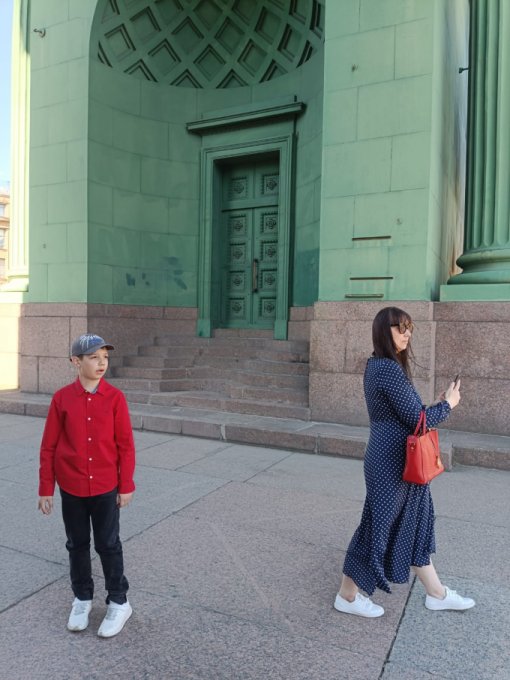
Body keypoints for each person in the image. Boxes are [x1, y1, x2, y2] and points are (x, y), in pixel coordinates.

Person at [334, 307, 475, 618]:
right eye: (400, 327)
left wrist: (436, 405)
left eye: (409, 327)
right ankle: (347, 596)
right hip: (391, 463)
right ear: (383, 332)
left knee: (414, 522)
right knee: (377, 527)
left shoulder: (381, 365)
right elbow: (418, 420)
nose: (407, 333)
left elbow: (411, 413)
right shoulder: (387, 369)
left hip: (400, 460)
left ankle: (436, 594)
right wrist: (449, 405)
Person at [38, 333, 136, 637]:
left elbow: (126, 446)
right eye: (94, 357)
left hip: (106, 486)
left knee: (108, 544)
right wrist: (46, 488)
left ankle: (119, 601)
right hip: (72, 487)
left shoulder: (115, 398)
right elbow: (49, 446)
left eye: (105, 357)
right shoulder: (61, 399)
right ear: (76, 362)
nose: (101, 363)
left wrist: (126, 484)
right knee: (77, 544)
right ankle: (82, 598)